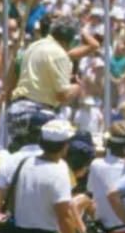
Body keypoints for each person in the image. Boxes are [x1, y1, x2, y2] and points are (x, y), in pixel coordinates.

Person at [7, 16, 82, 144]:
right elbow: (63, 96)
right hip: (36, 112)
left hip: (16, 109)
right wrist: (77, 87)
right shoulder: (59, 54)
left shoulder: (34, 46)